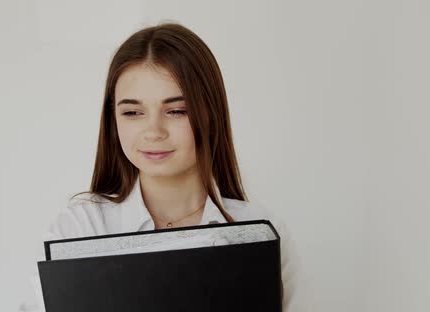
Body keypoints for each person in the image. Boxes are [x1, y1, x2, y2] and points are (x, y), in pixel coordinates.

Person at [20, 22, 313, 312]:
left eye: (176, 111)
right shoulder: (79, 229)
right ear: (114, 121)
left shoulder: (259, 232)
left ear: (210, 114)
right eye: (133, 112)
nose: (154, 131)